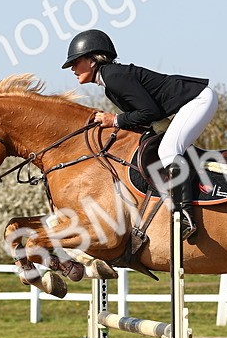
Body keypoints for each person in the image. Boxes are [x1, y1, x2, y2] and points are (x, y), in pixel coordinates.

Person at [62, 29, 218, 241]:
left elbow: (148, 112)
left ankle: (185, 215)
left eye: (75, 62)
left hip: (197, 100)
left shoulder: (114, 76)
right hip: (183, 106)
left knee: (168, 150)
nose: (72, 68)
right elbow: (145, 119)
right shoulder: (109, 84)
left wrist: (114, 120)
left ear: (91, 60)